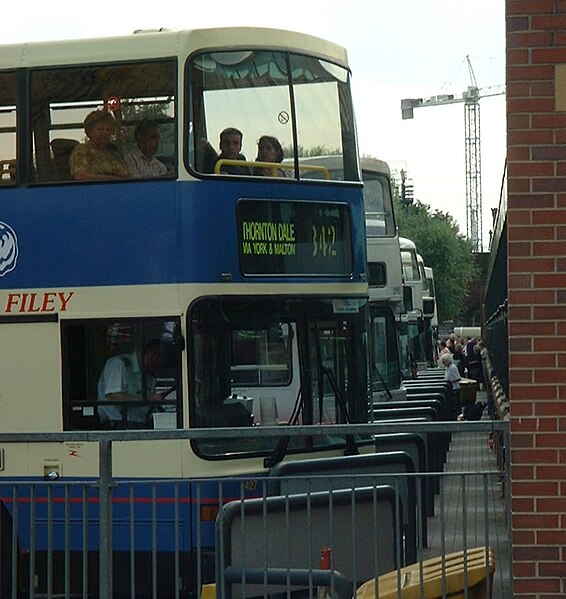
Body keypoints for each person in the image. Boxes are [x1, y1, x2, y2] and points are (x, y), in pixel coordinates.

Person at [97, 338, 164, 428]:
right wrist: (147, 400)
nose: (158, 369)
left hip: (143, 424)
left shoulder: (149, 377)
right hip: (119, 425)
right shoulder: (119, 364)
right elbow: (114, 396)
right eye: (159, 365)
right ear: (152, 357)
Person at [69, 110, 130, 181]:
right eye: (100, 129)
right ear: (90, 131)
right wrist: (111, 179)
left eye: (108, 130)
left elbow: (127, 176)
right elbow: (80, 176)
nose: (105, 133)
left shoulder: (114, 153)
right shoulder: (82, 151)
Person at [439, 352, 461, 420]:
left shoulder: (453, 367)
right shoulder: (447, 368)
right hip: (450, 389)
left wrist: (449, 382)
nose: (443, 364)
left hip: (455, 388)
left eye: (444, 362)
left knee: (456, 405)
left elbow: (458, 378)